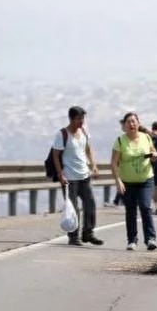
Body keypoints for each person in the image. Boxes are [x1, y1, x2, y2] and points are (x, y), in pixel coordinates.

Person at [51, 105, 102, 246]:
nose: (81, 122)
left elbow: (88, 148)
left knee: (90, 204)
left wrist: (94, 165)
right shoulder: (62, 134)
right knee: (73, 208)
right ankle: (73, 237)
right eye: (79, 119)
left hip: (84, 176)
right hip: (70, 178)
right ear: (71, 119)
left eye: (83, 119)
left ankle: (88, 233)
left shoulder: (84, 131)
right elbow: (56, 155)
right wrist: (60, 174)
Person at [110, 112, 157, 251]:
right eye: (128, 122)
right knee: (130, 210)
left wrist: (154, 156)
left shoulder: (146, 138)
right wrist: (118, 181)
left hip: (145, 179)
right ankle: (132, 240)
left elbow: (153, 153)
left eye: (134, 121)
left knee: (145, 207)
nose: (131, 124)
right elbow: (114, 163)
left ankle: (150, 239)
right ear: (124, 126)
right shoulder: (120, 141)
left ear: (138, 123)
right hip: (127, 181)